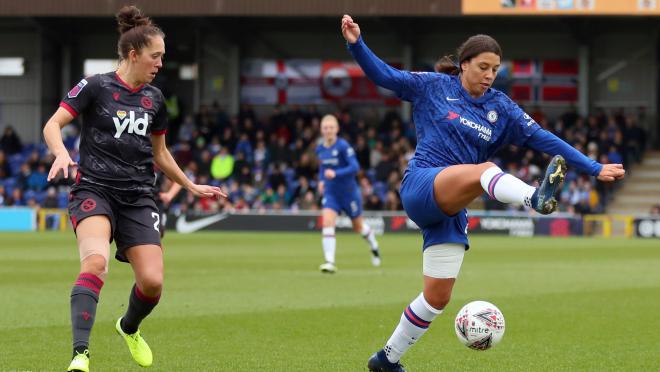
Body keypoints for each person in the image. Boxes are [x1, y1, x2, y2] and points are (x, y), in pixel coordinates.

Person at [340, 14, 625, 371]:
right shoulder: (432, 86)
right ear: (464, 65)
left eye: (495, 69)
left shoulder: (501, 108)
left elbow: (546, 140)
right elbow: (385, 76)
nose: (490, 75)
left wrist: (594, 167)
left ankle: (386, 359)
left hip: (452, 209)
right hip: (422, 185)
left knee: (436, 298)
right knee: (484, 172)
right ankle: (534, 199)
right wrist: (356, 43)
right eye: (483, 67)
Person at [43, 6, 225, 372]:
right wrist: (61, 153)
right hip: (94, 188)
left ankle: (129, 328)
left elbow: (159, 153)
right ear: (133, 54)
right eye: (155, 56)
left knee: (153, 283)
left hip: (139, 196)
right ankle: (80, 354)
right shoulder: (95, 86)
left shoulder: (155, 100)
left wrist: (188, 184)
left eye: (162, 57)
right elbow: (53, 124)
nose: (160, 64)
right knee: (95, 262)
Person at [316, 114, 381, 273]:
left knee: (358, 227)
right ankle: (329, 262)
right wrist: (321, 180)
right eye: (326, 128)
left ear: (337, 129)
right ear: (321, 130)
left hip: (349, 193)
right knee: (327, 222)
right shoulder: (320, 148)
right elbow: (323, 168)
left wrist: (336, 173)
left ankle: (374, 245)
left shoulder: (343, 146)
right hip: (331, 193)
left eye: (331, 127)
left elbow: (355, 167)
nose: (328, 130)